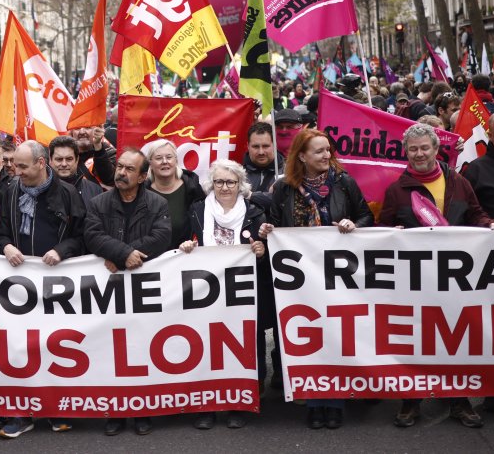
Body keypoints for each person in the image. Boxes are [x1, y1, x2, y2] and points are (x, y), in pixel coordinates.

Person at [380, 124, 494, 429]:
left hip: (456, 280)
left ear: (435, 149)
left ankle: (459, 401)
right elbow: (383, 230)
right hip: (414, 283)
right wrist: (392, 234)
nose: (419, 154)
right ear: (406, 152)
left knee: (456, 341)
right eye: (413, 149)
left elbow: (475, 214)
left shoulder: (458, 182)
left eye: (424, 148)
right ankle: (411, 402)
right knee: (414, 342)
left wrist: (489, 225)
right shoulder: (396, 191)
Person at [264, 128, 372, 428]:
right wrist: (267, 231)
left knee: (335, 335)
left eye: (328, 150)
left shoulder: (344, 182)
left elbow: (366, 217)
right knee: (308, 337)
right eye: (319, 151)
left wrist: (354, 223)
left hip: (338, 276)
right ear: (302, 156)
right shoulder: (284, 188)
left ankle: (334, 402)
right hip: (301, 280)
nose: (327, 156)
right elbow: (275, 223)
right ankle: (313, 401)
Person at [0, 141, 88, 438]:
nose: (15, 171)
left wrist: (61, 250)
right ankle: (21, 413)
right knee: (19, 349)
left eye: (22, 166)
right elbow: (0, 229)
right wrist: (6, 245)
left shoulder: (68, 194)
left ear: (40, 163)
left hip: (54, 285)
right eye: (14, 166)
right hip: (18, 287)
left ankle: (54, 409)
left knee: (52, 347)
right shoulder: (10, 191)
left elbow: (82, 236)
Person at [83, 148, 172, 436]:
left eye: (129, 169)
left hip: (143, 290)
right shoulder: (98, 203)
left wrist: (129, 255)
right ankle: (116, 411)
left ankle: (142, 410)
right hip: (110, 292)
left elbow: (161, 237)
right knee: (112, 352)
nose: (121, 173)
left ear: (143, 176)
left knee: (142, 350)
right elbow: (93, 235)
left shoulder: (157, 203)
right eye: (119, 167)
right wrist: (123, 254)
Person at [179, 161, 266, 430]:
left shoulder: (256, 212)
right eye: (219, 182)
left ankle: (237, 404)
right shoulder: (196, 211)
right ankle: (207, 406)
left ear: (240, 185)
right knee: (206, 347)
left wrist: (262, 251)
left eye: (230, 182)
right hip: (206, 293)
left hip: (242, 293)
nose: (225, 187)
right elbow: (183, 242)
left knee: (241, 347)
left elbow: (267, 253)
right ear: (211, 185)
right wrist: (185, 246)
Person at [143, 140, 203, 249]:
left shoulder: (193, 189)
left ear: (176, 160)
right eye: (158, 158)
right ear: (150, 163)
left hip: (186, 257)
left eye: (169, 157)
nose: (164, 161)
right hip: (151, 260)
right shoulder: (141, 192)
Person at [47, 135, 103, 210]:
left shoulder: (95, 190)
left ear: (77, 160)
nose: (64, 164)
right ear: (50, 161)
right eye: (59, 159)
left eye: (69, 159)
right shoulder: (40, 190)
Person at [243, 121, 279, 193]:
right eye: (255, 146)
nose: (261, 152)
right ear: (248, 146)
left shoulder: (289, 173)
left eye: (265, 146)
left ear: (275, 145)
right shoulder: (237, 175)